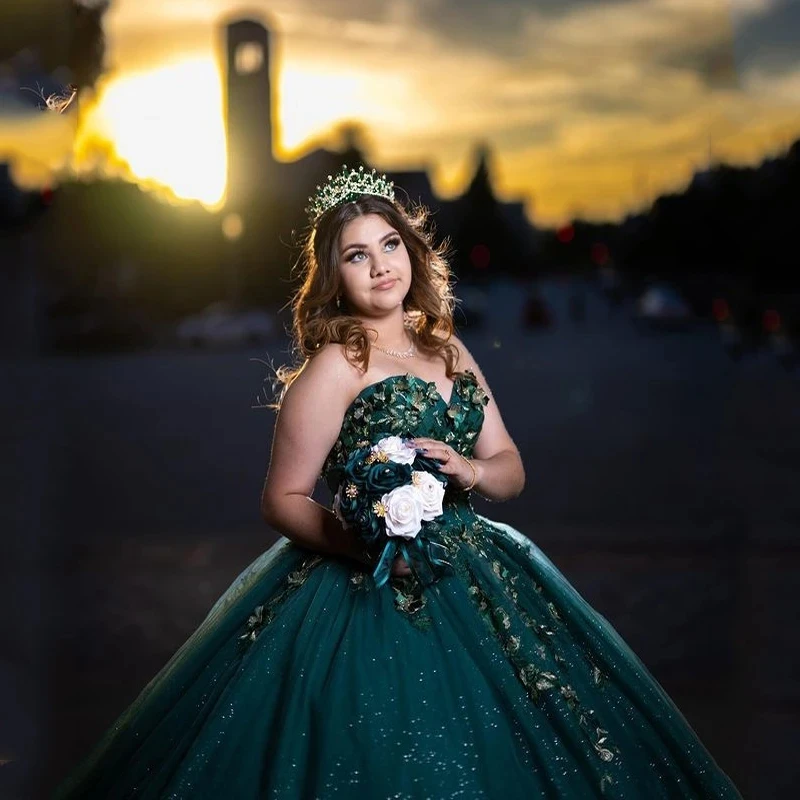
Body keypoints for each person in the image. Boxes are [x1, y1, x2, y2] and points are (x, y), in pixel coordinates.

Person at [55, 166, 742, 799]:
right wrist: (367, 545)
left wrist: (472, 468)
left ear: (413, 252)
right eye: (357, 254)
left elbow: (510, 468)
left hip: (473, 570)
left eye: (390, 244)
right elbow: (282, 499)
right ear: (334, 275)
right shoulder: (335, 367)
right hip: (365, 577)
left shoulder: (448, 349)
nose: (380, 264)